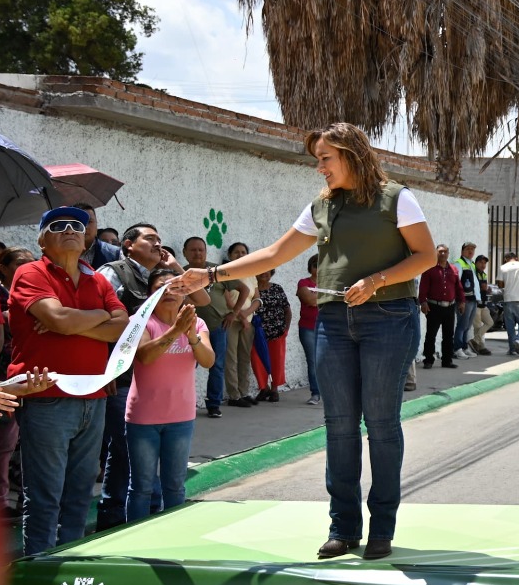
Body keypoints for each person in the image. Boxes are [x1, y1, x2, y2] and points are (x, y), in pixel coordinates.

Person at [173, 123, 435, 560]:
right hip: (334, 320)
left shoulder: (397, 198)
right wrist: (212, 274)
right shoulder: (321, 206)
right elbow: (275, 254)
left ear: (351, 154)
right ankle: (344, 527)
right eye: (317, 159)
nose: (320, 168)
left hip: (388, 319)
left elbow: (425, 255)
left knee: (382, 424)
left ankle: (381, 529)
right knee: (339, 426)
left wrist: (377, 280)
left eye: (325, 158)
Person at [9, 207, 130, 555]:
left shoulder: (98, 279)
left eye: (76, 225)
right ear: (42, 239)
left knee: (79, 493)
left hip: (94, 396)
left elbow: (122, 326)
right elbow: (59, 320)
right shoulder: (30, 273)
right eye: (57, 226)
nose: (69, 230)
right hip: (46, 396)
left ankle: (72, 564)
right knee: (45, 496)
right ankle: (39, 570)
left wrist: (74, 322)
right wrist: (99, 318)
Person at [95, 223, 183, 529]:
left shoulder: (160, 276)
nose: (158, 243)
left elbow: (199, 300)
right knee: (124, 453)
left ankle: (143, 515)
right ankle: (117, 519)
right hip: (120, 378)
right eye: (150, 239)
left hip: (150, 381)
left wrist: (175, 268)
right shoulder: (112, 272)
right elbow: (100, 323)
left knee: (141, 456)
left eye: (160, 239)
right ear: (128, 244)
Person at [125, 267, 213, 521]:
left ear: (185, 293)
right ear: (150, 294)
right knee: (141, 486)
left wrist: (191, 336)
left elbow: (208, 360)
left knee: (175, 486)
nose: (169, 292)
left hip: (181, 417)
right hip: (143, 418)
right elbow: (145, 355)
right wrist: (175, 331)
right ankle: (136, 543)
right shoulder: (140, 321)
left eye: (176, 287)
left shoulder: (197, 323)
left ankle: (172, 537)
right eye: (161, 287)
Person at [0, 249, 35, 510]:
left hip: (5, 378)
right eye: (20, 263)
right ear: (2, 267)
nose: (27, 267)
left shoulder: (37, 289)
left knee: (4, 442)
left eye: (31, 262)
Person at [184, 237, 231, 418]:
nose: (197, 253)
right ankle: (187, 403)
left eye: (201, 250)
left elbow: (242, 289)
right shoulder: (180, 273)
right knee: (187, 366)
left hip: (217, 326)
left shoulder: (216, 271)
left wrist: (233, 313)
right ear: (185, 252)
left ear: (206, 252)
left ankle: (214, 404)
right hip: (189, 328)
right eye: (193, 250)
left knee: (217, 366)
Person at [222, 243, 258, 408]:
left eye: (244, 252)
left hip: (247, 322)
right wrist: (240, 316)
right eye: (236, 252)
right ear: (229, 255)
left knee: (245, 358)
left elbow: (257, 298)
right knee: (231, 358)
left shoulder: (251, 274)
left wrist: (248, 313)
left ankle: (244, 392)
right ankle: (234, 396)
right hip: (232, 321)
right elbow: (227, 299)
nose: (240, 255)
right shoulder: (226, 272)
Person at [418, 245, 464, 369]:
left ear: (448, 253)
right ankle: (428, 360)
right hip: (433, 307)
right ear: (436, 253)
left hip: (450, 307)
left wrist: (462, 302)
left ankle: (447, 360)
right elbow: (423, 287)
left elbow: (458, 287)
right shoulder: (430, 269)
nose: (443, 254)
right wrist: (423, 302)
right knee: (431, 334)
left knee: (449, 335)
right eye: (440, 252)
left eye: (445, 252)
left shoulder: (453, 269)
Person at [252, 269, 291, 402]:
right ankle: (264, 388)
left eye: (268, 270)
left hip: (277, 331)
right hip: (257, 332)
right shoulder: (252, 288)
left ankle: (274, 389)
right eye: (262, 270)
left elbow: (287, 310)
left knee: (277, 361)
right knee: (257, 361)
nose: (265, 273)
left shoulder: (277, 288)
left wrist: (286, 329)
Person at [296, 256, 322, 405]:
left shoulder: (331, 283)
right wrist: (327, 295)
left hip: (328, 327)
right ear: (310, 267)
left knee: (330, 361)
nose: (318, 269)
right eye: (315, 265)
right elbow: (309, 300)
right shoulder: (303, 283)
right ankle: (316, 393)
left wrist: (316, 295)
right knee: (313, 361)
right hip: (308, 328)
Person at [497, 251, 519, 355]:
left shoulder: (503, 267)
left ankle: (512, 348)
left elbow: (500, 284)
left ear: (505, 259)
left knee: (510, 325)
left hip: (508, 299)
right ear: (516, 258)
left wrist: (508, 284)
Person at [454, 241, 482, 357]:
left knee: (467, 325)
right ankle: (457, 349)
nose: (470, 251)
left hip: (473, 299)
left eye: (472, 249)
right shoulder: (459, 263)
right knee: (462, 324)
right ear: (462, 251)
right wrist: (461, 300)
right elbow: (457, 282)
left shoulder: (471, 264)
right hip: (464, 300)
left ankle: (464, 347)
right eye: (468, 249)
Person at [469, 255, 494, 354]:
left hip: (483, 304)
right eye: (481, 262)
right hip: (476, 304)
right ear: (476, 263)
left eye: (485, 263)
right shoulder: (473, 273)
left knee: (489, 322)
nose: (483, 265)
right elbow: (471, 287)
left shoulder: (483, 274)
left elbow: (484, 287)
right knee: (478, 326)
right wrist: (482, 288)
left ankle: (475, 341)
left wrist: (487, 289)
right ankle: (481, 347)